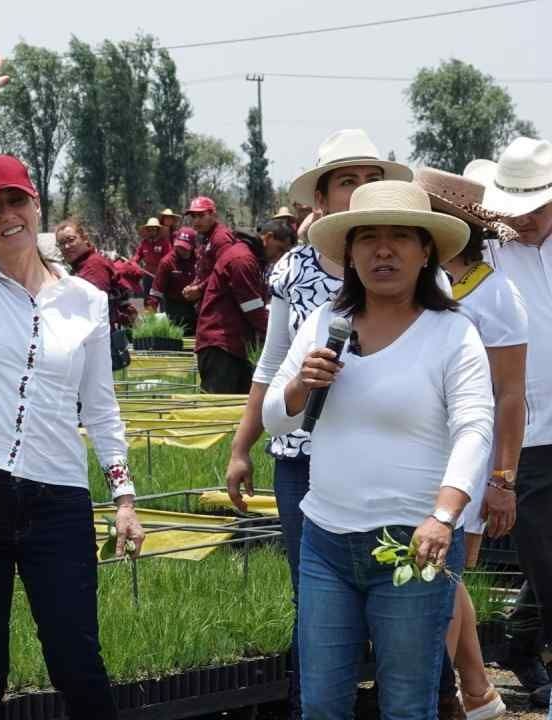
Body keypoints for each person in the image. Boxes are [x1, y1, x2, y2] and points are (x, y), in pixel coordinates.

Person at [0, 53, 145, 720]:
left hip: (57, 501)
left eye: (16, 200)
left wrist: (124, 495)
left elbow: (101, 408)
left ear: (36, 202)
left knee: (78, 663)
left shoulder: (84, 301)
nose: (8, 216)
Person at [263, 180, 493, 718]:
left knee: (407, 706)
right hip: (325, 543)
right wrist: (301, 385)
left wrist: (444, 515)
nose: (382, 250)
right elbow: (277, 417)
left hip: (415, 546)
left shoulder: (452, 334)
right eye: (367, 237)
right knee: (321, 705)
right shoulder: (326, 322)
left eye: (399, 238)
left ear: (425, 251)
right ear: (349, 251)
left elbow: (474, 431)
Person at [225, 128, 412, 717]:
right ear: (323, 200)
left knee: (400, 597)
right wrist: (241, 445)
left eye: (370, 181)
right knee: (317, 603)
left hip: (390, 457)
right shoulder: (292, 272)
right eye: (347, 181)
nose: (359, 191)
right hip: (305, 457)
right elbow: (273, 359)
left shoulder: (409, 270)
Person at [413, 167, 525, 720]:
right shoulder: (425, 284)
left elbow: (509, 396)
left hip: (466, 451)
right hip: (419, 447)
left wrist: (502, 478)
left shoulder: (496, 292)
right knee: (441, 573)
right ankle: (474, 690)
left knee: (445, 571)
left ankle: (459, 691)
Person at [467, 136, 552, 705]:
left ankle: (521, 641)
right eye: (513, 206)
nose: (522, 219)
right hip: (526, 435)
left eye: (535, 207)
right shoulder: (486, 253)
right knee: (545, 557)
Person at [187, 196, 266, 394]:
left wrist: (199, 288)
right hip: (221, 336)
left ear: (213, 215)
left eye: (201, 216)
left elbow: (225, 270)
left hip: (223, 333)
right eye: (193, 216)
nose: (196, 221)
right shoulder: (210, 240)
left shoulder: (220, 239)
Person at [56, 218, 134, 329]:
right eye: (61, 243)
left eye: (71, 240)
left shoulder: (93, 265)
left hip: (100, 335)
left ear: (85, 239)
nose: (66, 246)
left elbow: (92, 307)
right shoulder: (80, 266)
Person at [148, 228, 198, 334]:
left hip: (197, 308)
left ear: (193, 246)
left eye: (185, 248)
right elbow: (156, 292)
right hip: (175, 309)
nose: (181, 250)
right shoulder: (167, 262)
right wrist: (149, 316)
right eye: (179, 247)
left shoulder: (200, 259)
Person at [131, 217, 171, 298]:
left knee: (161, 299)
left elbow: (169, 258)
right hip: (147, 275)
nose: (151, 231)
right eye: (149, 229)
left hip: (160, 276)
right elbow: (138, 255)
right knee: (148, 300)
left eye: (153, 229)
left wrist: (163, 273)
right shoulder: (144, 243)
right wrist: (133, 262)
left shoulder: (164, 243)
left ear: (157, 230)